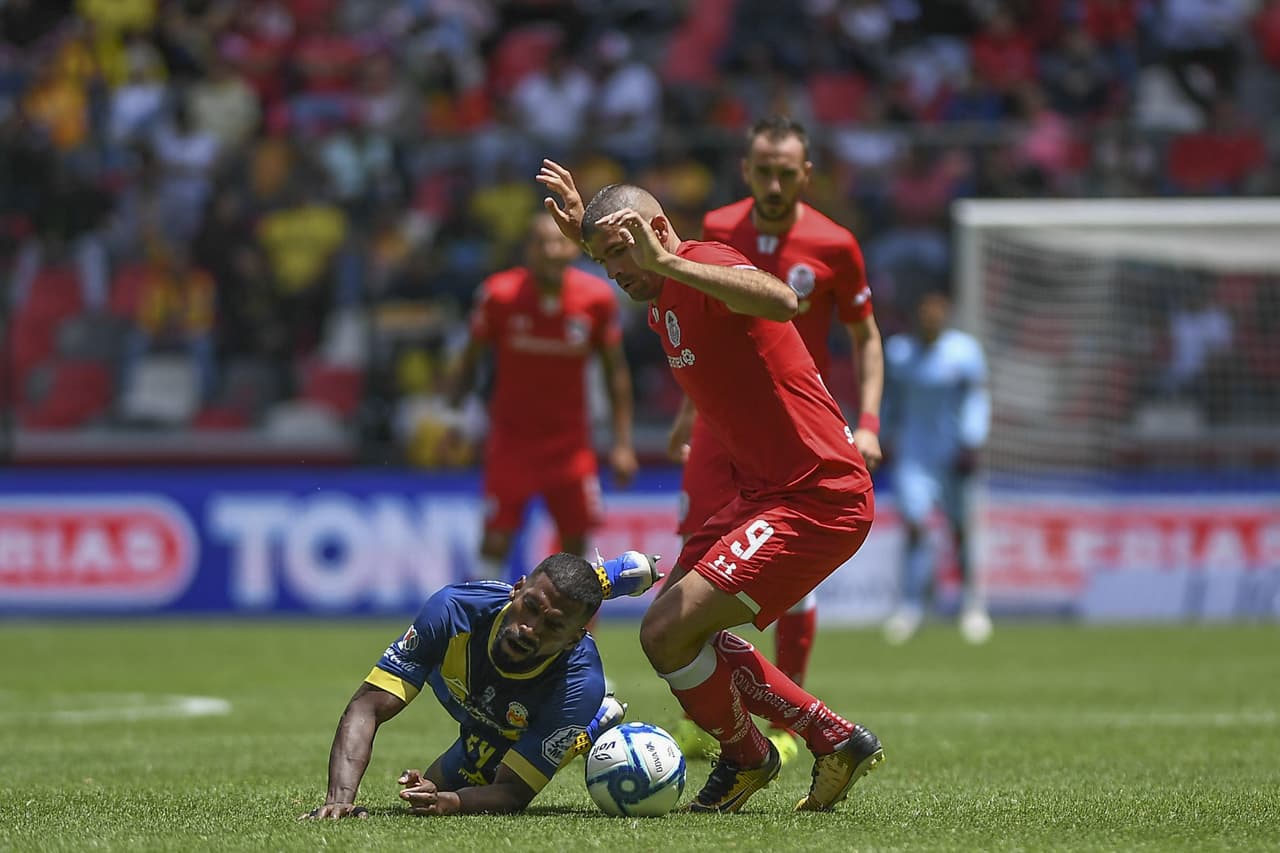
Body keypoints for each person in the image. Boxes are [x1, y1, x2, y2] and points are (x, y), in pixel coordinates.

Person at [537, 159, 884, 814]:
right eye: (605, 262)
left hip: (818, 494)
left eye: (621, 255)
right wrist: (590, 231)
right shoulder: (659, 290)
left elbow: (782, 300)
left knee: (672, 627)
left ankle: (798, 744)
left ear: (658, 232)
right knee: (666, 634)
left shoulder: (703, 263)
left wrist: (664, 261)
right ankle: (772, 751)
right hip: (762, 495)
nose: (616, 272)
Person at [665, 116, 885, 766]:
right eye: (763, 170)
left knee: (788, 569)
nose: (774, 183)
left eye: (786, 172)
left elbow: (866, 336)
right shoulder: (717, 227)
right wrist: (688, 412)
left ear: (806, 174)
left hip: (795, 426)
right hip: (719, 424)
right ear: (745, 170)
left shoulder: (834, 243)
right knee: (695, 564)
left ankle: (786, 724)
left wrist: (869, 421)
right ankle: (712, 716)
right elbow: (702, 324)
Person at [302, 550, 662, 818]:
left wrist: (449, 802)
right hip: (479, 705)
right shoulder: (452, 611)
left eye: (553, 626)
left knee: (442, 785)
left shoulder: (579, 685)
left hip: (508, 727)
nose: (529, 629)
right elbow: (367, 706)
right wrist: (340, 801)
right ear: (516, 589)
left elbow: (513, 791)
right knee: (440, 787)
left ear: (572, 640)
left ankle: (586, 729)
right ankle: (607, 577)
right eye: (530, 606)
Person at [447, 212, 638, 581]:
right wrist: (455, 420)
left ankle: (572, 619)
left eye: (559, 242)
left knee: (576, 544)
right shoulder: (499, 295)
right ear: (528, 250)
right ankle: (481, 613)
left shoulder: (596, 298)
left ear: (574, 249)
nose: (551, 250)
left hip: (570, 446)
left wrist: (623, 443)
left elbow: (616, 372)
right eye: (541, 243)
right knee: (495, 540)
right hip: (511, 442)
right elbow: (469, 361)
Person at [881, 289, 992, 645]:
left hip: (953, 453)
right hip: (913, 454)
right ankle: (911, 606)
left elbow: (976, 397)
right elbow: (891, 399)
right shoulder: (899, 353)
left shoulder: (964, 352)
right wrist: (881, 434)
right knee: (915, 526)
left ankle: (971, 604)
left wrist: (972, 439)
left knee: (959, 529)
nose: (931, 320)